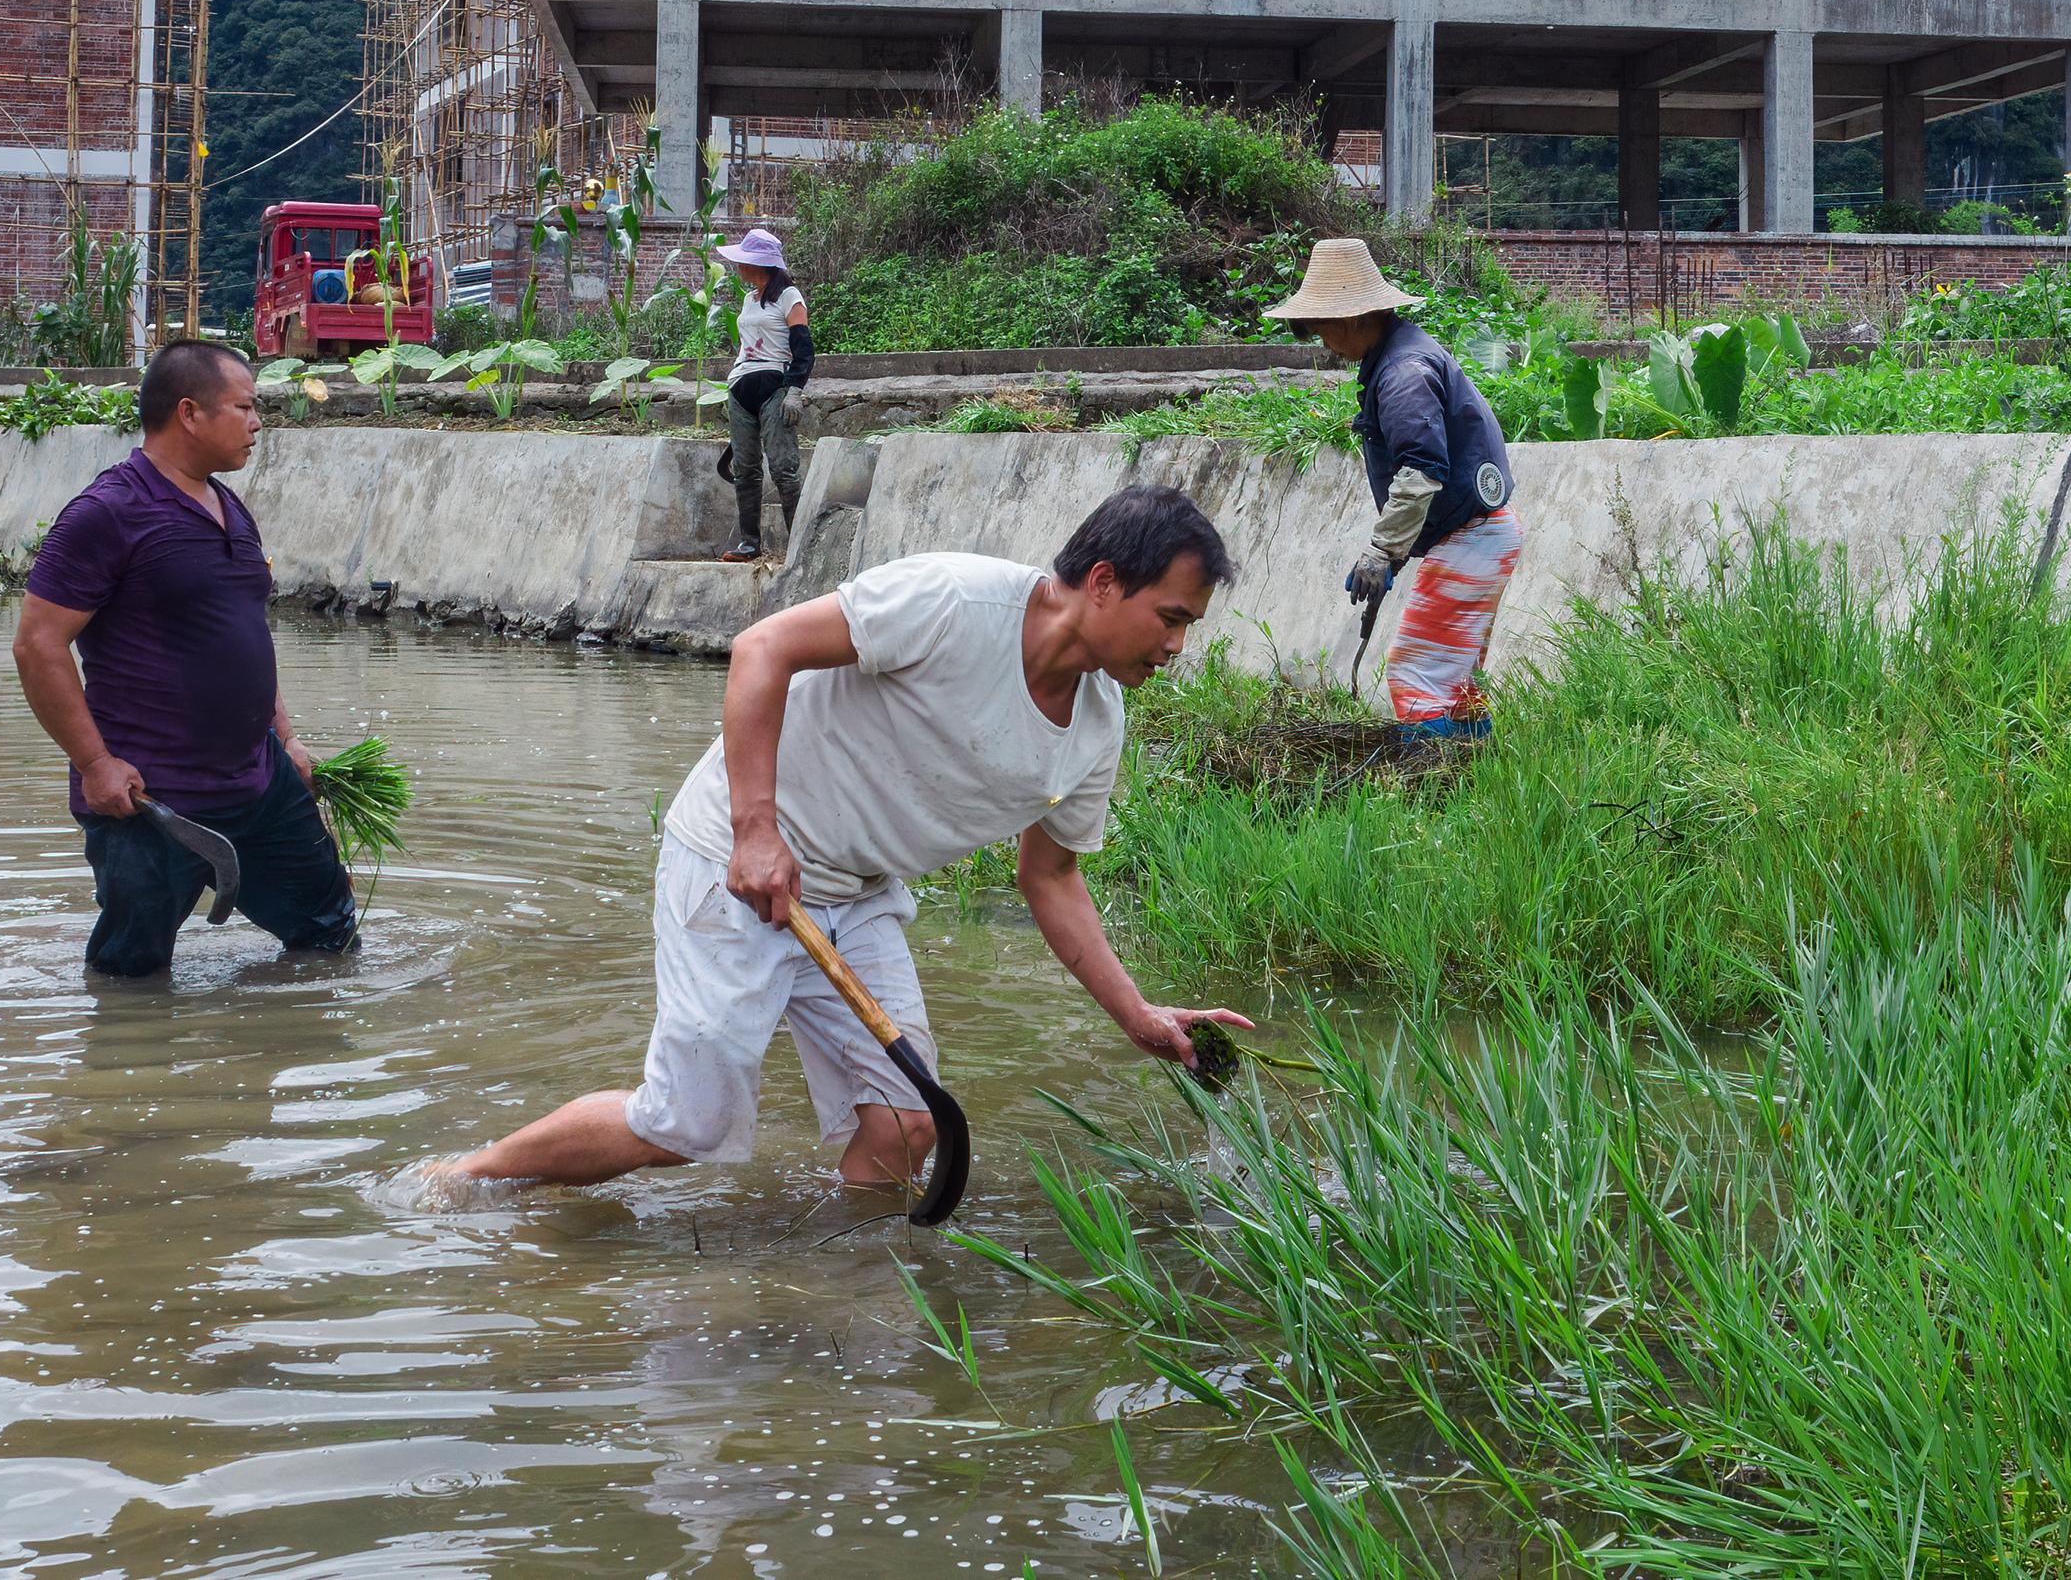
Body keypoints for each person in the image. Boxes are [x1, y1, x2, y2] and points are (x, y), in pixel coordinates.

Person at [439, 485, 1255, 1194]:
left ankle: (845, 1279)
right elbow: (766, 646)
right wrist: (755, 830)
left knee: (908, 1123)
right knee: (684, 1123)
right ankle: (463, 1180)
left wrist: (1135, 1013)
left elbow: (1052, 879)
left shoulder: (1096, 728)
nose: (1178, 646)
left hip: (856, 896)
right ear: (1106, 583)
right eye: (1172, 617)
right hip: (741, 865)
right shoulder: (955, 600)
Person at [13, 337, 360, 979]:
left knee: (330, 936)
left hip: (259, 783)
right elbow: (38, 644)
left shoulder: (229, 506)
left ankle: (277, 1056)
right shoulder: (108, 512)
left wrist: (286, 738)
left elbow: (243, 630)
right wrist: (94, 764)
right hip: (151, 800)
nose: (258, 424)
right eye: (244, 407)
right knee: (132, 978)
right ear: (189, 413)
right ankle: (139, 1076)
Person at [1263, 237, 1519, 746]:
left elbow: (1422, 470)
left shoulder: (1402, 373)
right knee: (1455, 678)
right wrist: (1396, 557)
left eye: (1325, 329)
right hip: (1480, 534)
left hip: (1470, 537)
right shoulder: (1399, 356)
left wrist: (1382, 551)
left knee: (1415, 671)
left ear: (1356, 317)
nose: (1324, 344)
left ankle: (1433, 785)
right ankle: (1477, 772)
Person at [713, 225, 814, 563]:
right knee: (745, 467)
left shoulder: (789, 297)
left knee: (784, 467)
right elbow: (747, 346)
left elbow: (803, 350)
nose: (738, 268)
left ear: (760, 264)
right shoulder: (749, 299)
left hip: (774, 388)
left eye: (743, 262)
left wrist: (795, 391)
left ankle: (799, 546)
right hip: (741, 388)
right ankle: (749, 544)